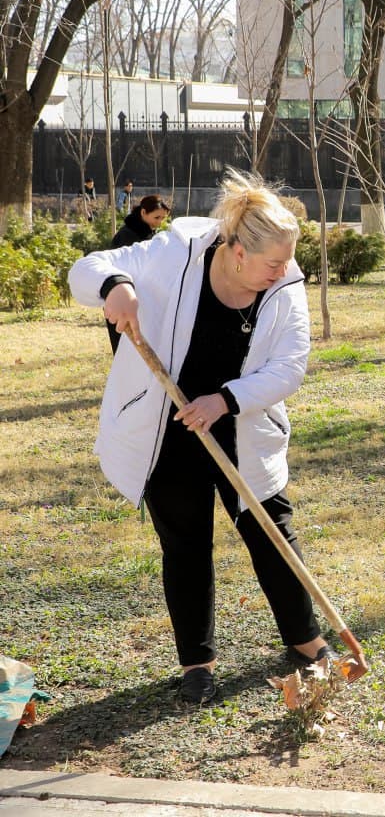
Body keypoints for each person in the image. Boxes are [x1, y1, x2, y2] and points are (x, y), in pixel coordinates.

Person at [69, 171, 332, 706]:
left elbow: (289, 367)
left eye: (287, 261)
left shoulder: (284, 284)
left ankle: (306, 641)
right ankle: (198, 665)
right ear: (236, 251)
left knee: (269, 530)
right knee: (186, 544)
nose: (284, 272)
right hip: (169, 424)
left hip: (240, 421)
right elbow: (89, 267)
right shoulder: (175, 252)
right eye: (272, 263)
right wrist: (115, 287)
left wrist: (226, 400)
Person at [104, 195, 172, 353]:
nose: (159, 222)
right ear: (143, 213)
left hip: (139, 299)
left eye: (162, 218)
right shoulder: (128, 236)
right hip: (121, 298)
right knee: (125, 351)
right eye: (156, 217)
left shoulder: (147, 233)